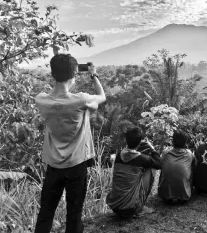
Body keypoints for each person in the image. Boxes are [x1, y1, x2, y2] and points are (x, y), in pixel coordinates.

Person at [34, 54, 106, 233]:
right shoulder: (80, 100)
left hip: (53, 165)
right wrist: (93, 74)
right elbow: (101, 96)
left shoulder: (41, 100)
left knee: (46, 213)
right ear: (74, 73)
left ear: (52, 74)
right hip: (76, 164)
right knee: (74, 214)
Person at [106, 126, 161, 218]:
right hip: (130, 209)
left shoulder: (119, 155)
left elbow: (131, 155)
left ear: (126, 140)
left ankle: (130, 204)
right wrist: (152, 148)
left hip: (115, 206)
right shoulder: (142, 159)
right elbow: (159, 164)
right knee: (151, 168)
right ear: (140, 142)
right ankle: (139, 206)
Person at [158, 130, 196, 204]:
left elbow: (161, 165)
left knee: (164, 169)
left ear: (173, 141)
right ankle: (184, 191)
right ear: (185, 142)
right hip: (185, 196)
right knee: (191, 169)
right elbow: (194, 168)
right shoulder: (189, 154)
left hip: (164, 196)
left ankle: (166, 191)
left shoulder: (165, 152)